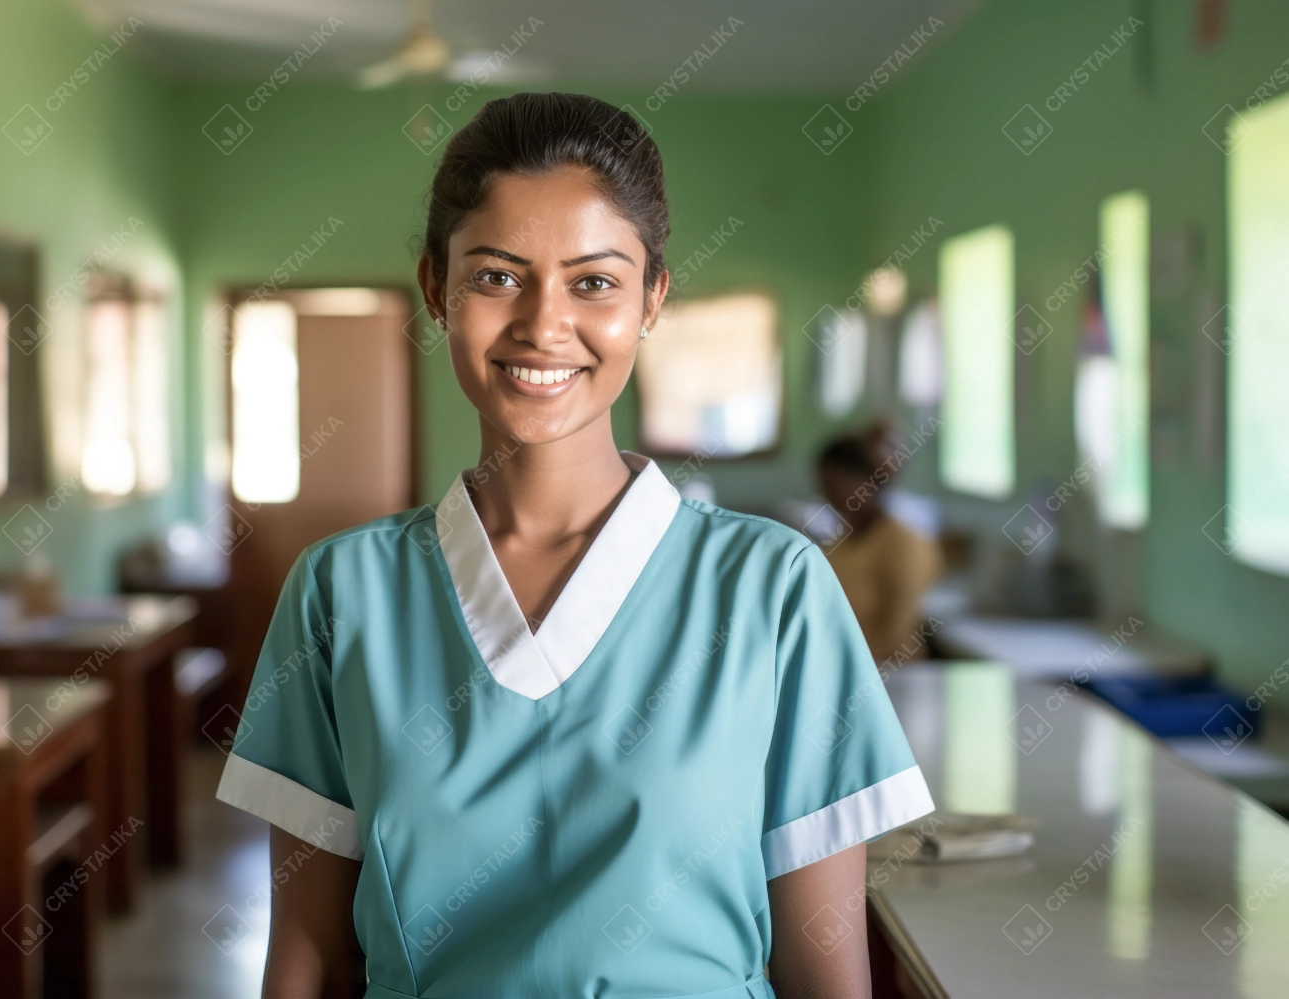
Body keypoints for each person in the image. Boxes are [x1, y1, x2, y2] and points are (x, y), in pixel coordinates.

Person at [216, 93, 933, 999]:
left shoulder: (775, 591)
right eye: (497, 276)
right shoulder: (341, 592)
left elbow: (825, 968)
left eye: (594, 281)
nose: (543, 325)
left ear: (651, 299)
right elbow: (307, 957)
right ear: (436, 288)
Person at [815, 434, 943, 666]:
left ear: (866, 482)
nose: (829, 496)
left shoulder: (904, 544)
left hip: (894, 671)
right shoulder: (839, 542)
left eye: (835, 485)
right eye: (825, 486)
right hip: (849, 666)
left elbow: (895, 632)